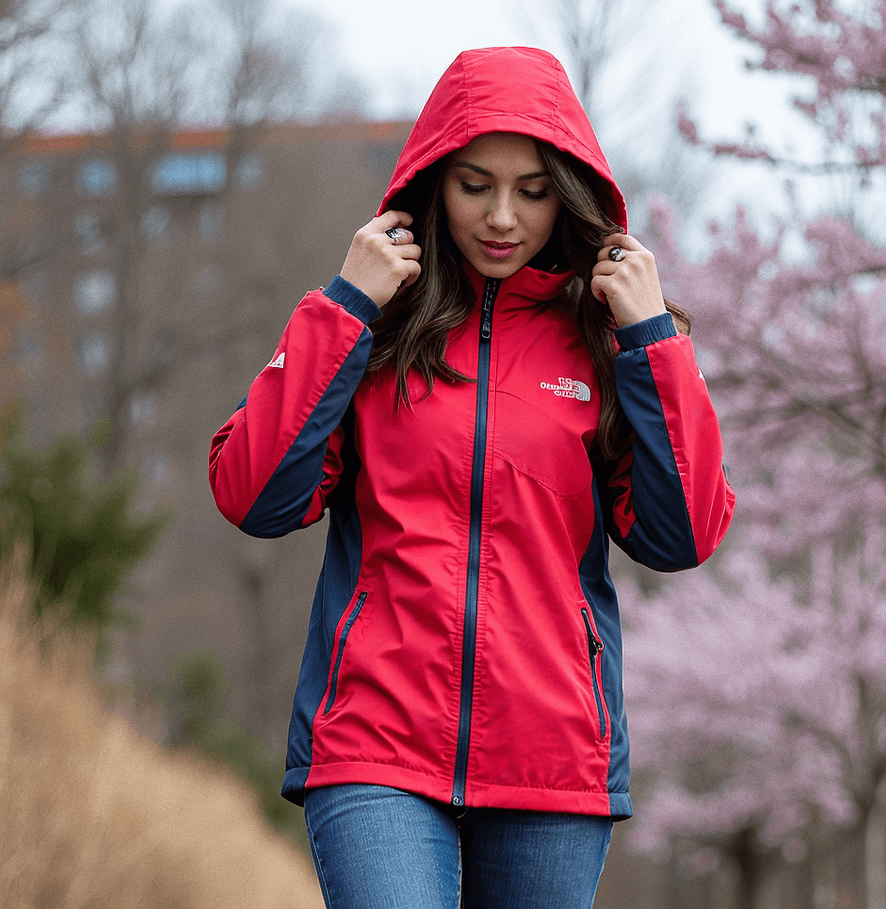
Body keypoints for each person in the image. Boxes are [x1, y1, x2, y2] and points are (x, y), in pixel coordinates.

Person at [209, 46, 735, 909]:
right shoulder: (373, 327)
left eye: (531, 190)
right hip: (374, 744)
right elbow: (254, 495)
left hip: (552, 757)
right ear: (431, 182)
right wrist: (343, 305)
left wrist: (653, 343)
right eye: (474, 184)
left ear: (567, 191)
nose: (502, 216)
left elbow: (681, 535)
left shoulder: (607, 341)